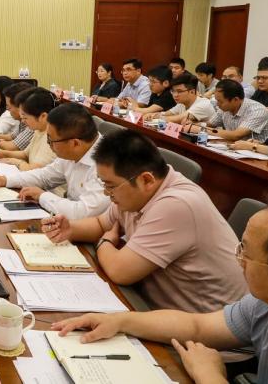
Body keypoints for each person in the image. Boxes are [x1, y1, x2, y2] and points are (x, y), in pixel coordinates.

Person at [50, 206, 268, 384]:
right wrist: (118, 321)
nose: (239, 261)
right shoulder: (262, 303)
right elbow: (197, 326)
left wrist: (210, 375)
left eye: (246, 253)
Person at [41, 129, 247, 314]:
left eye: (110, 186)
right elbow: (101, 224)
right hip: (153, 308)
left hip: (200, 329)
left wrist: (105, 242)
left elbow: (120, 271)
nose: (106, 193)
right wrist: (70, 229)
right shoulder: (137, 191)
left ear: (146, 180)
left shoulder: (177, 204)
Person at [0, 104, 111, 219]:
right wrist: (5, 180)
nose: (49, 145)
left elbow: (83, 213)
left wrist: (42, 196)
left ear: (75, 143)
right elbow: (45, 176)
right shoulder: (73, 150)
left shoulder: (106, 164)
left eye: (51, 140)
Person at [0, 87, 57, 171]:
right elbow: (25, 154)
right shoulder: (38, 129)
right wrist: (3, 153)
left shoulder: (53, 137)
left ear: (43, 116)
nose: (22, 121)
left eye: (25, 118)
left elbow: (35, 170)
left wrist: (16, 162)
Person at [185, 79, 268, 142]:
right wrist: (193, 124)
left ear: (235, 99)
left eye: (220, 101)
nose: (217, 104)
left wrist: (201, 129)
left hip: (261, 155)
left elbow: (236, 135)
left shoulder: (257, 110)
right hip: (235, 149)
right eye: (216, 100)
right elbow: (209, 124)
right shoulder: (224, 108)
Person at [0, 82, 35, 153]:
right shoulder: (22, 121)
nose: (7, 109)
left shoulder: (32, 124)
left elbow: (13, 147)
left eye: (9, 106)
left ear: (19, 106)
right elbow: (11, 137)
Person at [150, 72, 214, 123]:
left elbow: (177, 119)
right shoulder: (181, 103)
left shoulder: (203, 104)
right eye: (173, 91)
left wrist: (157, 117)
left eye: (179, 91)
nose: (175, 95)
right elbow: (166, 114)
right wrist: (152, 115)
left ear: (192, 92)